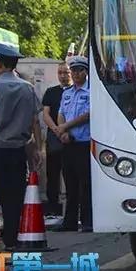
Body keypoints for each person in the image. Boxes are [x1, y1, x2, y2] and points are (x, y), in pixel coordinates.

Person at [0, 44, 42, 250]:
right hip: (18, 150)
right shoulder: (27, 88)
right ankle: (11, 238)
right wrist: (38, 148)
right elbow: (35, 120)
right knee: (14, 196)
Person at [54, 56, 92, 232]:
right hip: (68, 142)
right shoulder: (67, 92)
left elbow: (87, 115)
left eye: (80, 71)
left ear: (86, 72)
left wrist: (65, 127)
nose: (76, 74)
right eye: (74, 71)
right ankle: (69, 221)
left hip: (84, 143)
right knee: (69, 184)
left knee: (85, 184)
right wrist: (63, 132)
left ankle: (87, 221)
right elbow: (61, 113)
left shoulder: (91, 92)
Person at [41, 62, 71, 218]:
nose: (63, 76)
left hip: (73, 136)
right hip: (54, 136)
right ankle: (53, 207)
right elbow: (46, 114)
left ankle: (73, 207)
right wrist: (56, 130)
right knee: (52, 174)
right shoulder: (51, 92)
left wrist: (65, 130)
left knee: (71, 174)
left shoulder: (78, 91)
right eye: (60, 73)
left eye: (66, 72)